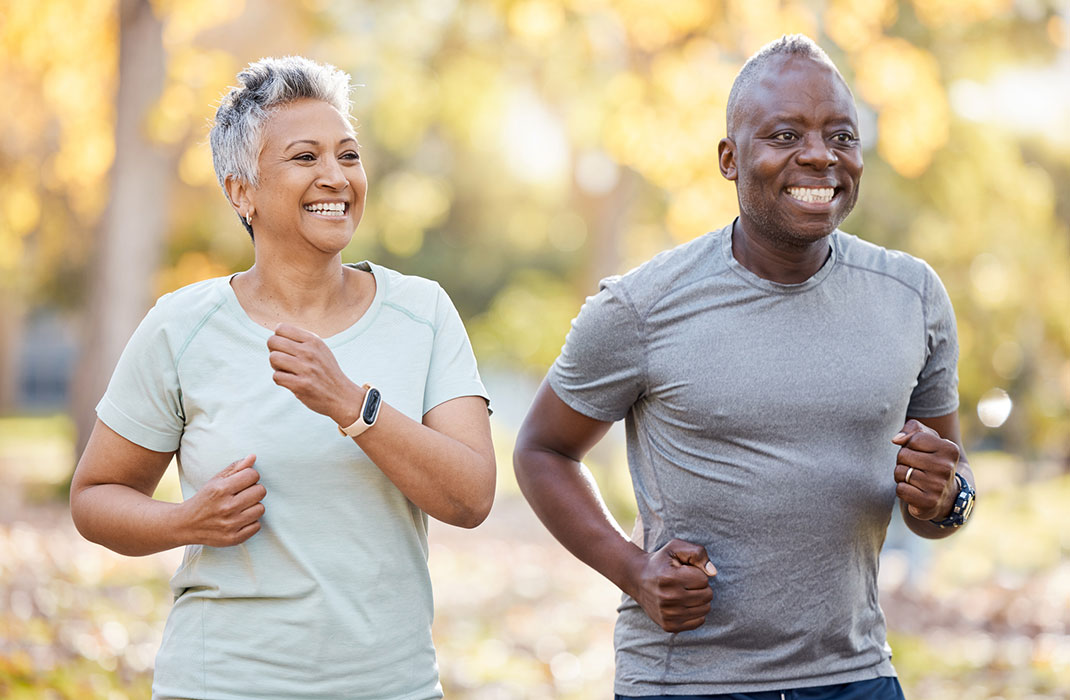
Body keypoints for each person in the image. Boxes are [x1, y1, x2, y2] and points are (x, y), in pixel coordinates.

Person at [513, 34, 975, 700]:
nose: (819, 155)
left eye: (841, 137)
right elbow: (542, 450)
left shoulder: (912, 296)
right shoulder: (641, 307)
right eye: (785, 135)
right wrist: (632, 570)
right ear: (730, 159)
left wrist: (948, 496)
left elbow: (944, 498)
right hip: (686, 683)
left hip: (857, 675)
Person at [70, 56, 495, 700]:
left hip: (389, 686)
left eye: (348, 155)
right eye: (305, 157)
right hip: (220, 684)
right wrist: (186, 521)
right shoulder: (182, 325)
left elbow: (472, 498)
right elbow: (96, 496)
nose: (336, 177)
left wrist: (352, 405)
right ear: (241, 191)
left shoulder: (423, 312)